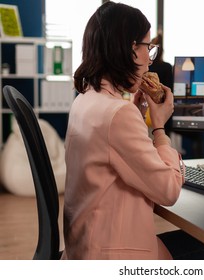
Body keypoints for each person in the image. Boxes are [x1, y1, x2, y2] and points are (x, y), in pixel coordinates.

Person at [61, 2, 184, 260]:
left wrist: (138, 114)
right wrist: (159, 127)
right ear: (129, 49)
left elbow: (113, 155)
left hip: (84, 246)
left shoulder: (84, 100)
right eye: (148, 48)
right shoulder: (118, 114)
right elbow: (169, 190)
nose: (150, 61)